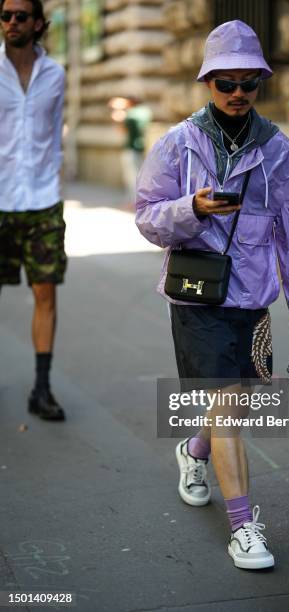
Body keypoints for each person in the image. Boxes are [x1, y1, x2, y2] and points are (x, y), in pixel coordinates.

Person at [135, 20, 289, 569]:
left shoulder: (279, 153)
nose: (238, 93)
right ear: (208, 83)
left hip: (253, 300)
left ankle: (192, 452)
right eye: (226, 82)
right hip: (196, 297)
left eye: (249, 82)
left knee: (234, 403)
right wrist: (191, 209)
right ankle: (244, 527)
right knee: (227, 407)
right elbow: (147, 217)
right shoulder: (178, 143)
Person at [0, 0, 66, 420]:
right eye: (5, 16)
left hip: (43, 199)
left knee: (45, 293)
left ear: (38, 23)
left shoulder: (56, 75)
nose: (10, 23)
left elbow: (54, 134)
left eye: (20, 16)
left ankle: (41, 389)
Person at [108, 96, 152, 204]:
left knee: (131, 178)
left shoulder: (130, 115)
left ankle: (134, 202)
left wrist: (118, 112)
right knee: (140, 176)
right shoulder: (145, 112)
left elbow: (122, 130)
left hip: (131, 149)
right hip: (142, 148)